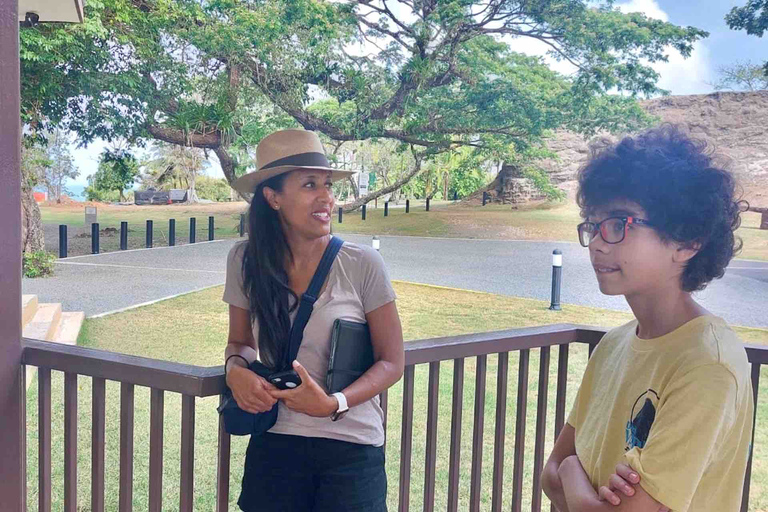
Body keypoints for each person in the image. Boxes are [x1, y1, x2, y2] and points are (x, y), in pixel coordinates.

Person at [541, 125, 754, 512]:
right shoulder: (614, 344)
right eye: (593, 223)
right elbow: (549, 472)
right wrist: (573, 475)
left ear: (689, 241)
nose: (598, 242)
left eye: (620, 223)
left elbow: (562, 470)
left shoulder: (709, 364)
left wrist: (571, 471)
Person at [223, 129, 404, 512]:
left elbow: (392, 360)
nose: (326, 197)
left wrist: (333, 402)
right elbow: (239, 341)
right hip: (275, 443)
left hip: (351, 449)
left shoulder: (362, 264)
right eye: (309, 185)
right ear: (272, 198)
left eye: (326, 184)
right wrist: (235, 370)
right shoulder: (245, 261)